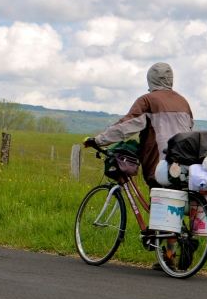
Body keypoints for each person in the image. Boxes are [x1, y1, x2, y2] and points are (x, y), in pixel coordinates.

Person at [83, 62, 193, 270]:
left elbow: (127, 126)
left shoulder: (148, 100)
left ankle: (170, 254)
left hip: (160, 160)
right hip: (186, 161)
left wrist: (99, 140)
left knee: (160, 199)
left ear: (150, 79)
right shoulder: (183, 101)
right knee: (170, 201)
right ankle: (170, 253)